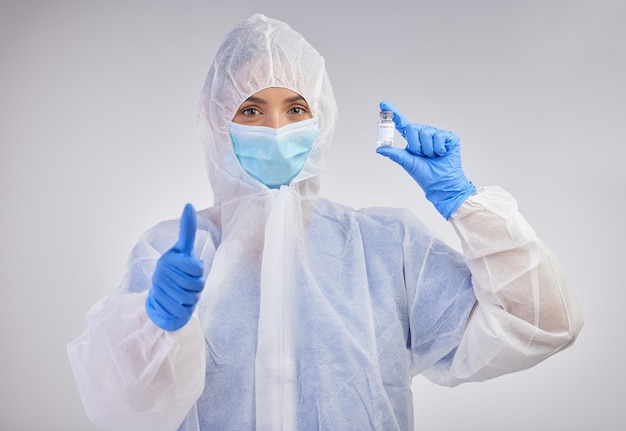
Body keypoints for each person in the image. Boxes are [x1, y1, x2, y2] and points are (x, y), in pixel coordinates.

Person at [67, 13, 583, 431]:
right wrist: (157, 324)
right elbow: (118, 409)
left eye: (296, 108)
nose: (275, 128)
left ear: (323, 119)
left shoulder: (387, 250)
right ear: (214, 119)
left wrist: (463, 202)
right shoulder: (173, 255)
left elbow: (543, 324)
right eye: (250, 110)